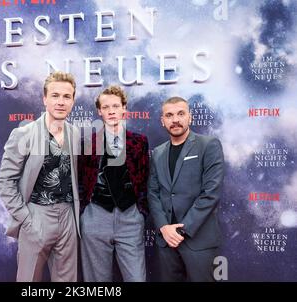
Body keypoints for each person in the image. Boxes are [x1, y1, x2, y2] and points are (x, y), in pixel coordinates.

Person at [0, 71, 81, 282]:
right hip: (36, 215)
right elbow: (5, 182)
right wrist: (26, 219)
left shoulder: (77, 134)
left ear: (73, 101)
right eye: (55, 95)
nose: (60, 102)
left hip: (69, 217)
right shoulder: (24, 133)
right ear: (44, 99)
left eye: (66, 96)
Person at [148, 96, 224, 282]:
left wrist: (181, 230)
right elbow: (153, 193)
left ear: (190, 117)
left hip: (199, 240)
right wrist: (164, 228)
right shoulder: (158, 152)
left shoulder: (208, 145)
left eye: (181, 114)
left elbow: (210, 193)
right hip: (167, 241)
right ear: (163, 120)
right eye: (169, 115)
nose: (175, 119)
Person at [78, 85, 149, 282]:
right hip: (96, 216)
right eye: (106, 107)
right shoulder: (87, 143)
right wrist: (85, 213)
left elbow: (145, 179)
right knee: (97, 282)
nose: (111, 111)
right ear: (99, 111)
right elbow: (80, 181)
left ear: (124, 109)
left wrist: (141, 212)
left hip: (130, 216)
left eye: (116, 106)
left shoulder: (139, 142)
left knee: (136, 278)